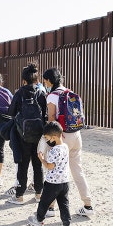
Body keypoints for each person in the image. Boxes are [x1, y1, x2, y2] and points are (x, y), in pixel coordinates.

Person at [42, 67, 95, 217]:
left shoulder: (52, 96)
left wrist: (48, 138)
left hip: (61, 137)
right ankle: (88, 205)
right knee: (77, 170)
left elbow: (51, 118)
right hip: (76, 135)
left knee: (54, 170)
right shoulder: (69, 92)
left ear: (50, 81)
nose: (45, 83)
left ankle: (51, 208)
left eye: (45, 81)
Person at [6, 62, 47, 205]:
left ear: (24, 79)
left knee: (23, 165)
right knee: (37, 164)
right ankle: (38, 194)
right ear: (36, 79)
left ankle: (20, 196)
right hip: (38, 134)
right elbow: (45, 114)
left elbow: (11, 112)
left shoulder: (19, 93)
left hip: (22, 134)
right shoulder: (41, 93)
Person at [27, 121, 72, 226]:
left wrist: (41, 158)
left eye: (48, 138)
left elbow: (50, 166)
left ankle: (39, 220)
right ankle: (67, 225)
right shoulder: (65, 147)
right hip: (65, 181)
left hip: (53, 182)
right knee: (64, 204)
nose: (47, 141)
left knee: (44, 202)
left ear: (54, 137)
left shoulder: (54, 150)